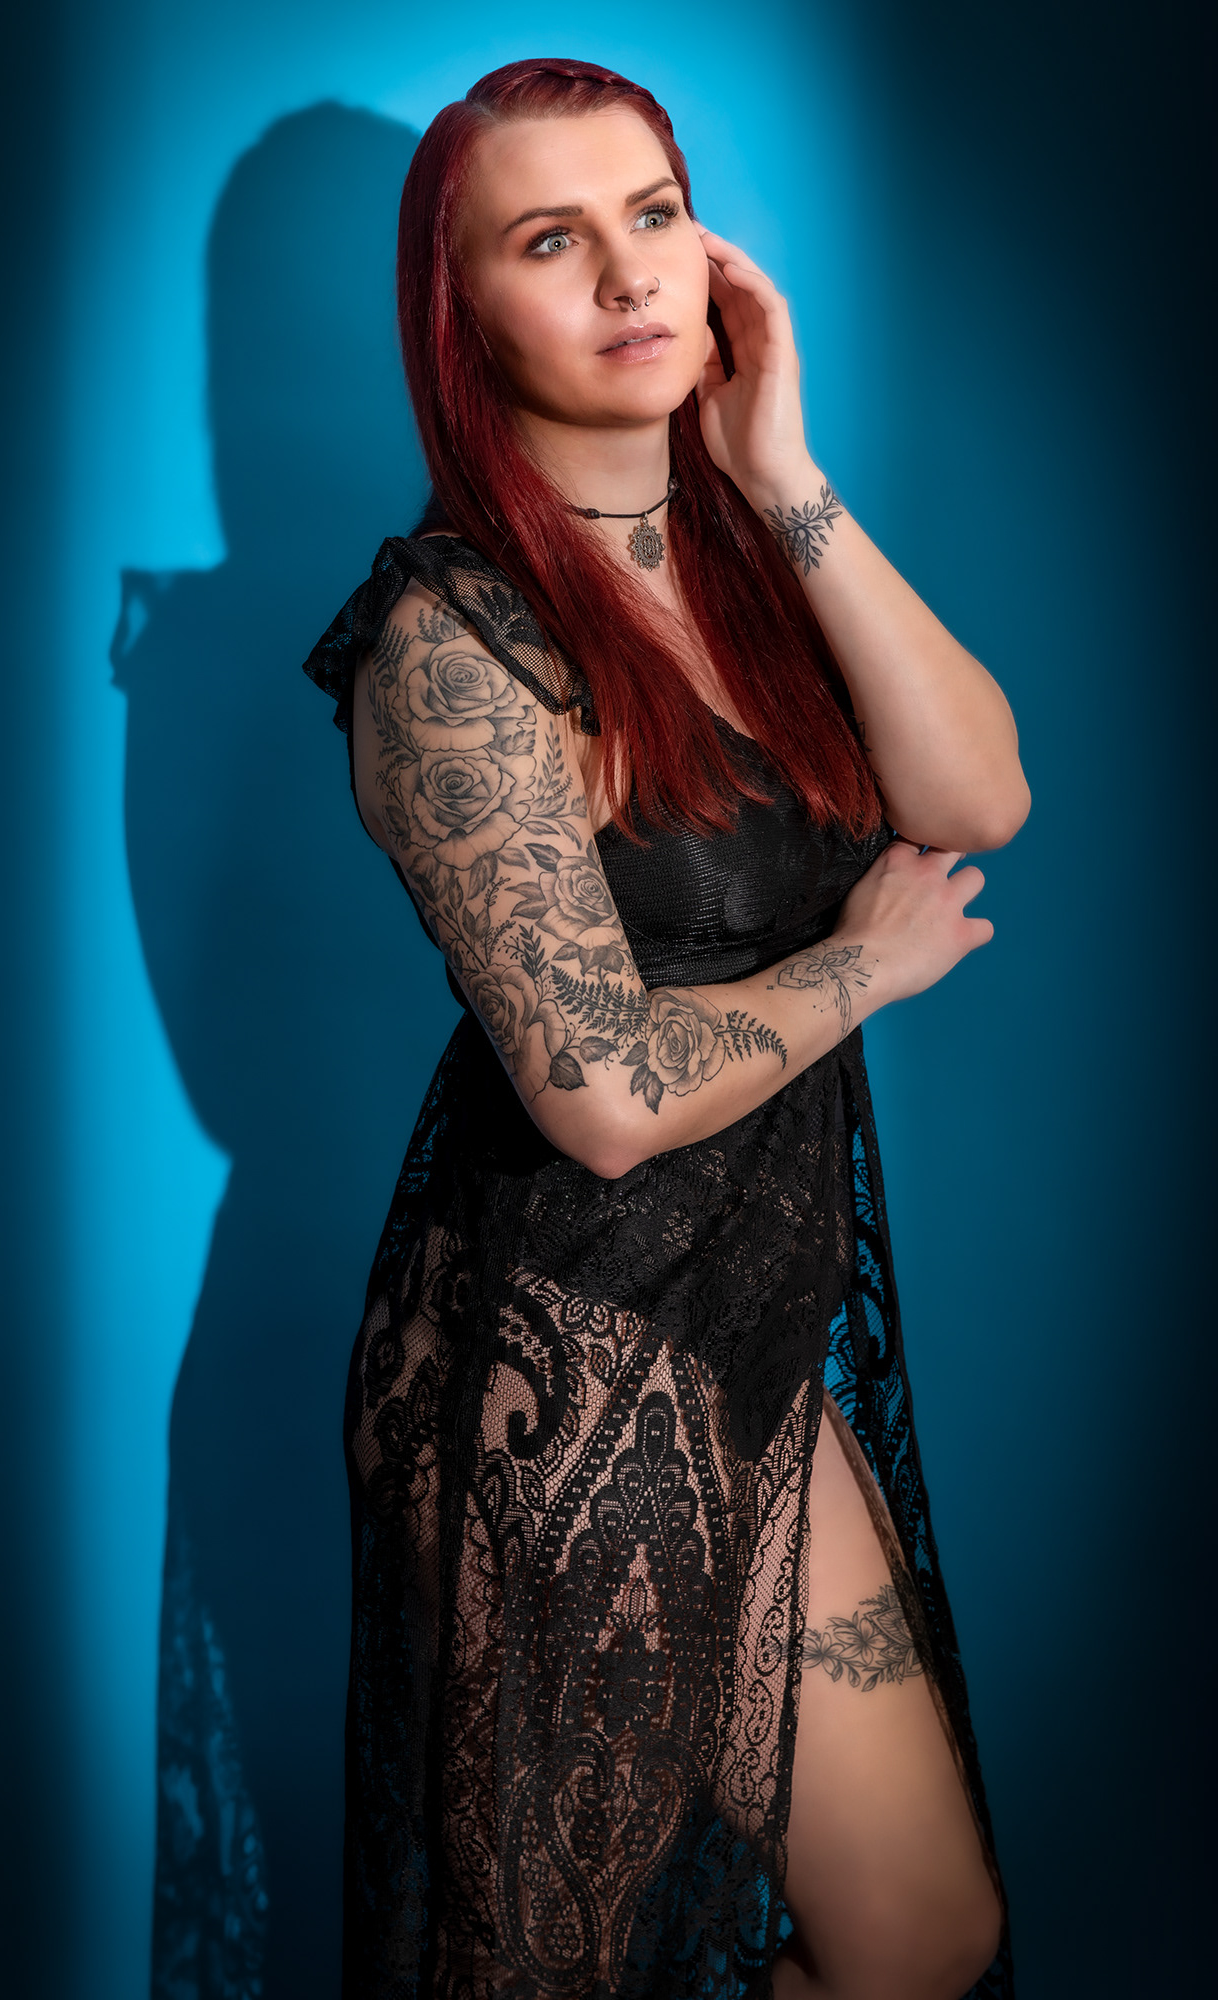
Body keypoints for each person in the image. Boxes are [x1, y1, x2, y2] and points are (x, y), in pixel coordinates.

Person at [303, 56, 1029, 2000]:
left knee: (922, 1939)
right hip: (561, 1361)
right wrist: (860, 969)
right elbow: (604, 1098)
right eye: (551, 240)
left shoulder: (751, 567)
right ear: (463, 315)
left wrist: (777, 468)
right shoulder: (452, 642)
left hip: (746, 1335)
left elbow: (976, 794)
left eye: (653, 213)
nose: (632, 275)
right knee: (533, 1971)